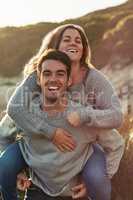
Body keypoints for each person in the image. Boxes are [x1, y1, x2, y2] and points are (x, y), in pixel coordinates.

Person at [0, 24, 124, 199]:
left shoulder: (93, 78)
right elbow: (13, 112)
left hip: (82, 138)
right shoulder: (35, 81)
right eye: (67, 39)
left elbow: (117, 117)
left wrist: (84, 116)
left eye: (78, 40)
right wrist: (50, 132)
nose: (73, 43)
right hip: (39, 139)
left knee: (96, 178)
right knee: (5, 164)